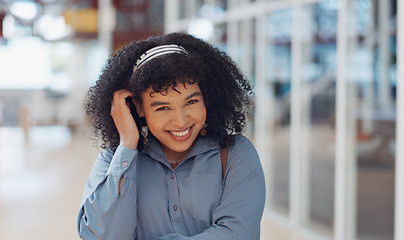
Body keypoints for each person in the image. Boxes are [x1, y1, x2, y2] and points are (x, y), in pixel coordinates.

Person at [77, 32, 266, 240]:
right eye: (163, 108)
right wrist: (128, 144)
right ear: (138, 108)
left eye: (191, 102)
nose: (181, 120)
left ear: (207, 98)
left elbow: (237, 234)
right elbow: (101, 236)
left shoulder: (236, 154)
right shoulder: (112, 163)